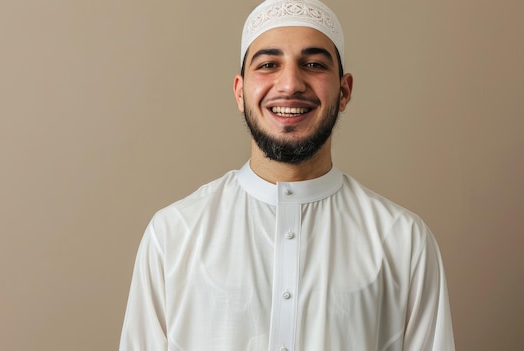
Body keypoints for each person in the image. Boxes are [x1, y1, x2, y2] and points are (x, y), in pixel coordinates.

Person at [120, 0, 455, 350]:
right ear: (240, 91)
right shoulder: (174, 234)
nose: (290, 84)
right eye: (268, 64)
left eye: (313, 64)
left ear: (344, 91)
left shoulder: (403, 242)